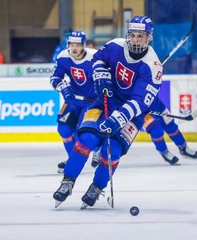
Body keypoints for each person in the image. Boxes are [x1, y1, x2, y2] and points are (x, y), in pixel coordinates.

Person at [53, 16, 163, 208]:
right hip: (105, 102)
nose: (136, 39)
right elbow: (98, 60)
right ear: (128, 35)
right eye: (133, 35)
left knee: (111, 151)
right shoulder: (115, 46)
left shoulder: (153, 67)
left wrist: (118, 118)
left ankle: (97, 186)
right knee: (86, 139)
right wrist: (101, 74)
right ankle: (68, 180)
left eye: (141, 36)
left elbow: (139, 102)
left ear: (149, 38)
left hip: (132, 115)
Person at [50, 31, 101, 174]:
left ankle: (97, 148)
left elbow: (108, 76)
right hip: (73, 100)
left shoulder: (96, 58)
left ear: (83, 45)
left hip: (92, 102)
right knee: (64, 129)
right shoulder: (63, 57)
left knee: (82, 132)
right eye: (72, 44)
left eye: (78, 44)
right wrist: (62, 87)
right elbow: (55, 78)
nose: (74, 48)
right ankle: (72, 158)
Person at [145, 98, 197, 164]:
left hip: (155, 102)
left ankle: (184, 148)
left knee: (170, 125)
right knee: (156, 129)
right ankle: (164, 152)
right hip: (140, 109)